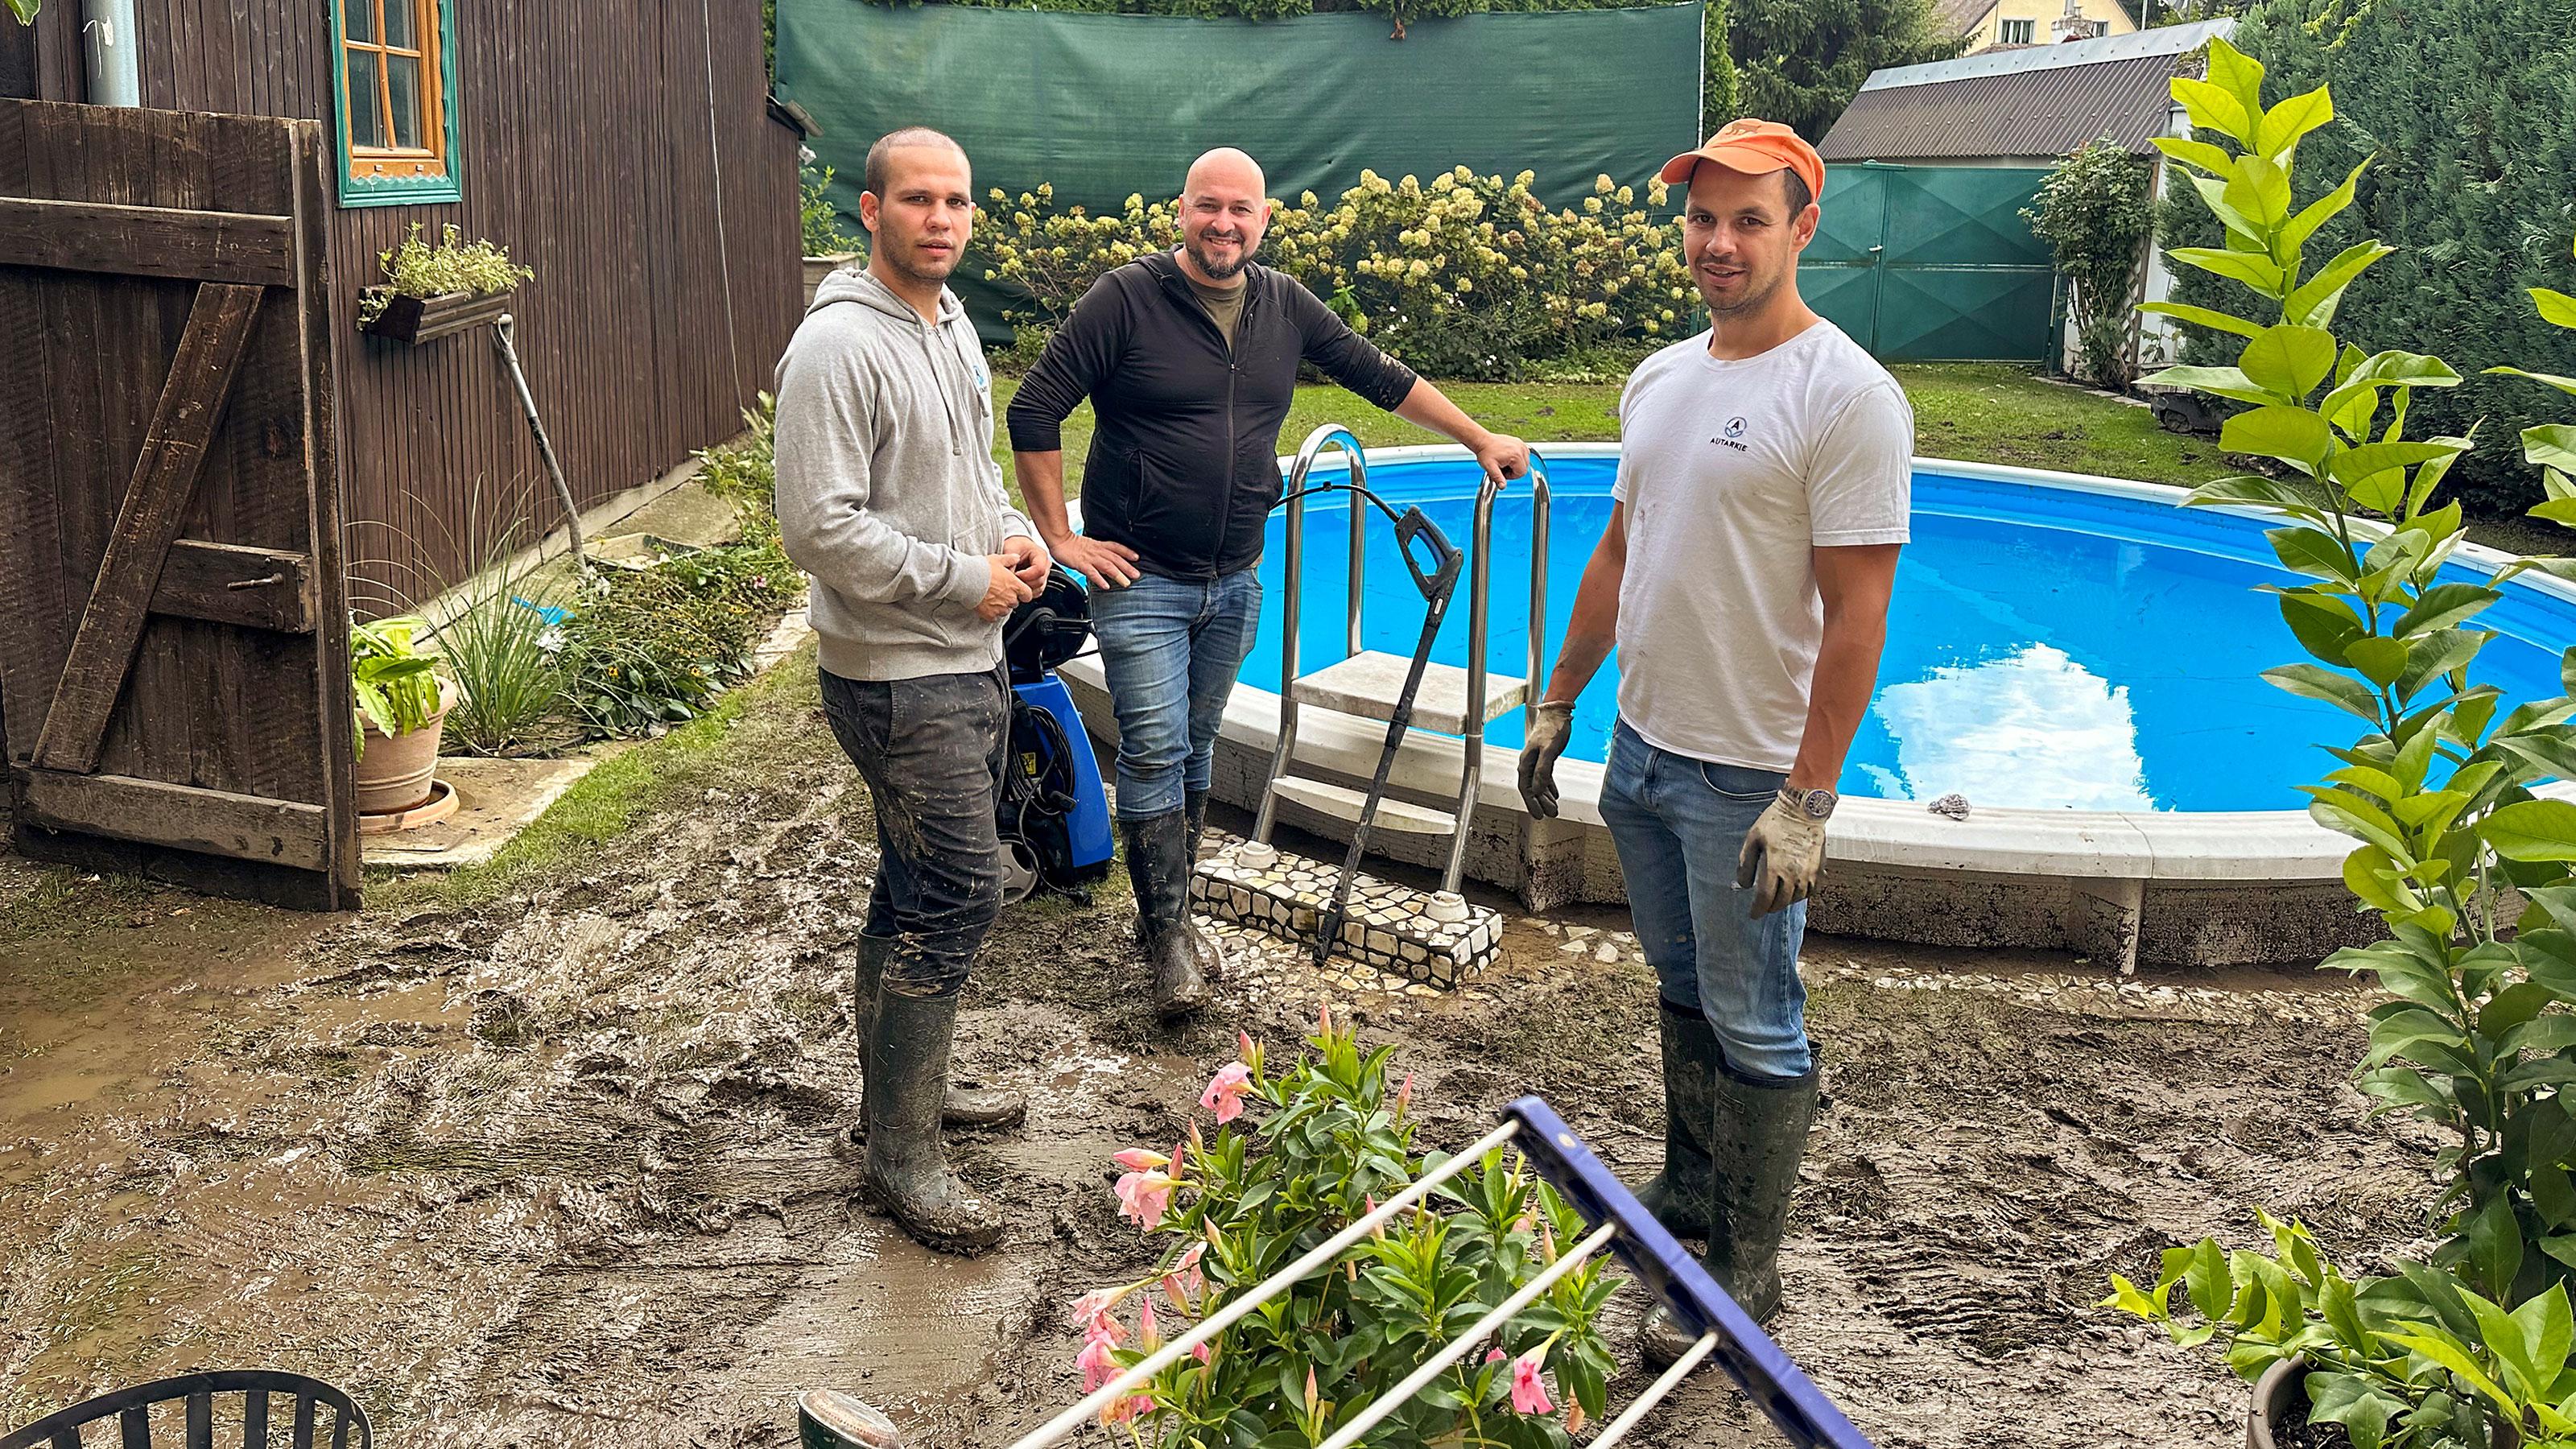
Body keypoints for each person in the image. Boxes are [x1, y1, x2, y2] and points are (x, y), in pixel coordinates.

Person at [1517, 119, 1913, 1358]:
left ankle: (1745, 1269)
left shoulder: (1844, 394)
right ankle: (1689, 1202)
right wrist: (1559, 693)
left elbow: (1859, 615)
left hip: (1745, 776)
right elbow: (1624, 551)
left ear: (1804, 227)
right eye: (1704, 218)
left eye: (1752, 219)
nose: (1721, 242)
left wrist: (1807, 799)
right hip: (1640, 751)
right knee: (1682, 990)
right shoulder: (1661, 375)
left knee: (1758, 1017)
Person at [1008, 147, 1530, 1019]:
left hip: (1234, 575)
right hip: (1140, 578)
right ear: (1181, 211)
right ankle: (1167, 938)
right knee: (1152, 746)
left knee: (1198, 744)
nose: (1223, 224)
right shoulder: (1125, 298)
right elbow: (1033, 408)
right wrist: (1062, 535)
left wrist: (1477, 437)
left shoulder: (1283, 304)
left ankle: (1170, 914)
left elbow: (1379, 375)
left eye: (1240, 210)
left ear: (1264, 218)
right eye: (1208, 207)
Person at [774, 126, 1051, 1256]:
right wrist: (962, 581)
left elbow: (970, 473)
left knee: (912, 888)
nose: (943, 219)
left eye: (958, 201)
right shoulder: (839, 347)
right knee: (958, 897)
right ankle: (904, 1159)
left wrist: (1017, 536)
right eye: (919, 200)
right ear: (871, 211)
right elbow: (818, 526)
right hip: (897, 675)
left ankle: (900, 1103)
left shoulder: (951, 322)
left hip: (960, 657)